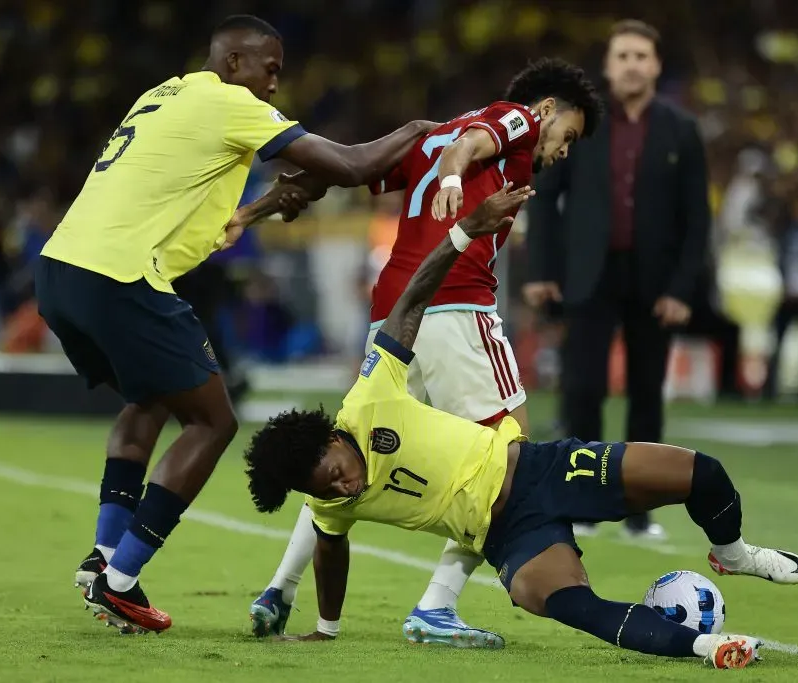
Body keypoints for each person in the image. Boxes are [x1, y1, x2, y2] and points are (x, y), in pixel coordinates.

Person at [243, 184, 798, 669]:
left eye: (335, 473)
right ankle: (709, 646)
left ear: (333, 439)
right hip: (507, 537)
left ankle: (732, 555)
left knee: (698, 472)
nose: (341, 488)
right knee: (569, 604)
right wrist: (326, 628)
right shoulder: (331, 504)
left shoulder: (369, 400)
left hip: (543, 470)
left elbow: (412, 299)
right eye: (325, 490)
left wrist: (464, 232)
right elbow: (329, 552)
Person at [36, 14, 434, 635]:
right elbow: (352, 165)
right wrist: (421, 129)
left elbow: (191, 218)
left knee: (148, 401)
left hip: (62, 270)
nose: (275, 85)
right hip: (119, 276)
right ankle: (121, 581)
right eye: (269, 69)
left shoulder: (164, 95)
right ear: (233, 64)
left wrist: (262, 207)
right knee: (213, 419)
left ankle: (104, 557)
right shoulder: (230, 103)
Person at [249, 58, 602, 649]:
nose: (565, 150)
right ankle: (437, 606)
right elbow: (473, 143)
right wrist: (454, 179)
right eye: (568, 135)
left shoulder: (430, 134)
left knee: (344, 452)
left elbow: (350, 173)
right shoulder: (512, 120)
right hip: (455, 308)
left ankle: (279, 589)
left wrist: (258, 209)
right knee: (509, 463)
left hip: (393, 319)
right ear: (545, 111)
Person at [524, 20, 711, 541]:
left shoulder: (681, 129)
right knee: (582, 390)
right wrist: (541, 270)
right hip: (588, 272)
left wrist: (681, 289)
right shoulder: (581, 122)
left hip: (655, 279)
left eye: (641, 56)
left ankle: (639, 512)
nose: (631, 64)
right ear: (608, 67)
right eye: (622, 56)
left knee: (647, 395)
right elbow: (545, 199)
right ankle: (580, 506)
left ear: (655, 65)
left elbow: (697, 219)